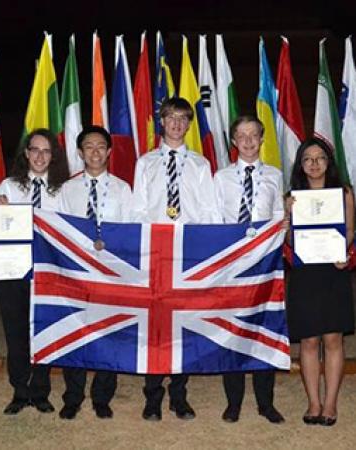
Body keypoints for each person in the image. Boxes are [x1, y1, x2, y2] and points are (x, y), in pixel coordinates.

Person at [131, 97, 221, 421]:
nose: (177, 124)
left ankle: (179, 395)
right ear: (161, 121)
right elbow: (137, 210)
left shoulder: (200, 165)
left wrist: (204, 249)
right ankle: (152, 395)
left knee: (183, 324)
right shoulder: (146, 163)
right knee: (155, 325)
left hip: (187, 252)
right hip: (156, 251)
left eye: (183, 118)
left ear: (189, 124)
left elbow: (209, 211)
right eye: (171, 117)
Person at [55, 125, 132, 420]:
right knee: (76, 330)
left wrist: (110, 243)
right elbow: (59, 229)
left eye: (101, 146)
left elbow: (130, 229)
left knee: (108, 332)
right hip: (77, 272)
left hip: (111, 272)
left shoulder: (123, 189)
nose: (95, 152)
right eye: (89, 146)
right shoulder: (68, 189)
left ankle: (102, 396)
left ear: (110, 152)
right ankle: (72, 396)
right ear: (79, 152)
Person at [214, 115, 285, 424]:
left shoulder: (275, 175)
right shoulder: (221, 177)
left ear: (261, 138)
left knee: (263, 330)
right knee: (233, 331)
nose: (247, 141)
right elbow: (214, 221)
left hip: (265, 265)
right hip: (232, 266)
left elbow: (280, 217)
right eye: (241, 136)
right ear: (233, 141)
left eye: (253, 135)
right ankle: (234, 402)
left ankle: (266, 402)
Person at [0, 128, 70, 415]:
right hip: (15, 271)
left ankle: (40, 392)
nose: (40, 156)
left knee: (44, 331)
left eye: (46, 151)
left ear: (53, 156)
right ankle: (19, 390)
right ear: (26, 154)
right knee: (16, 333)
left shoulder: (63, 190)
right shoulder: (9, 186)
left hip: (50, 273)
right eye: (35, 150)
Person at [286, 137, 354, 426]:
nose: (314, 164)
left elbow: (351, 231)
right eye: (308, 159)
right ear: (301, 165)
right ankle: (313, 402)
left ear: (329, 162)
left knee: (333, 339)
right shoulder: (292, 196)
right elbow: (289, 241)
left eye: (320, 158)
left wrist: (346, 252)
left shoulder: (344, 194)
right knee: (310, 341)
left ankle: (330, 403)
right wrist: (287, 216)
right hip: (305, 274)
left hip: (333, 272)